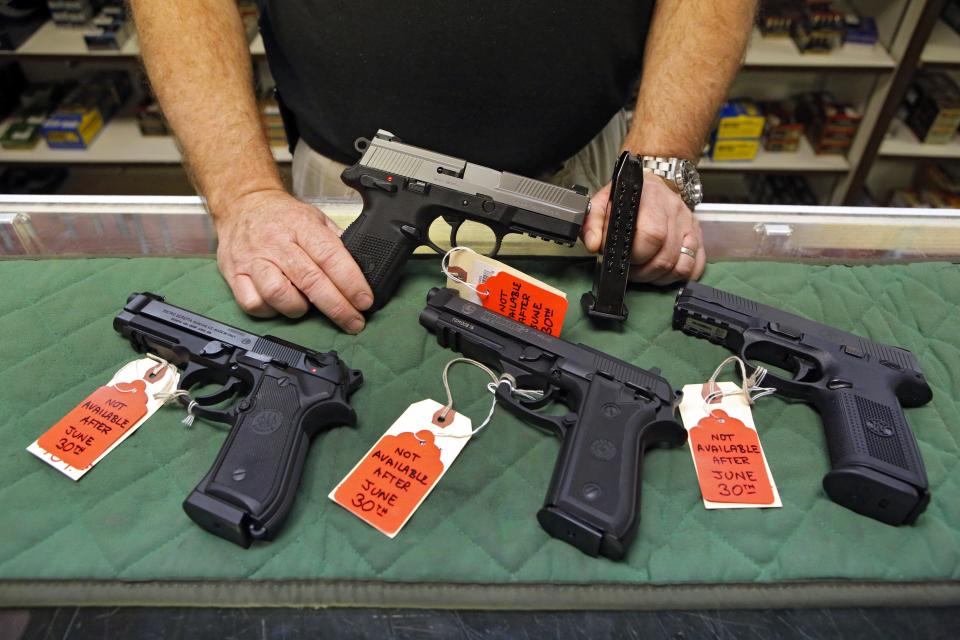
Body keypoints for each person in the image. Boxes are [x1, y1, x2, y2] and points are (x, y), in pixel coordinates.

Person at [130, 1, 757, 333]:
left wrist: (659, 163)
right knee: (349, 312)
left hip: (591, 179)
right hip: (350, 184)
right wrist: (241, 192)